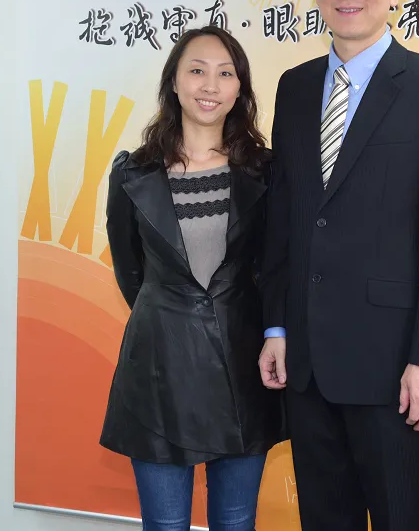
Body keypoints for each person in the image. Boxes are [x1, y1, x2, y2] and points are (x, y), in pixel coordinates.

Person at [257, 0, 419, 531]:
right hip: (307, 365)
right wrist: (276, 325)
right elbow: (286, 217)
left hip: (395, 370)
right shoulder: (295, 88)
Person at [100, 26, 283, 531]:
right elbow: (130, 271)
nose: (210, 85)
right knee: (164, 524)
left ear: (240, 89)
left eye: (226, 74)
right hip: (158, 367)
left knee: (236, 521)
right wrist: (175, 311)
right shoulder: (133, 173)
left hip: (242, 367)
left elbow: (273, 267)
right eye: (197, 70)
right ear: (174, 82)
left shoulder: (264, 171)